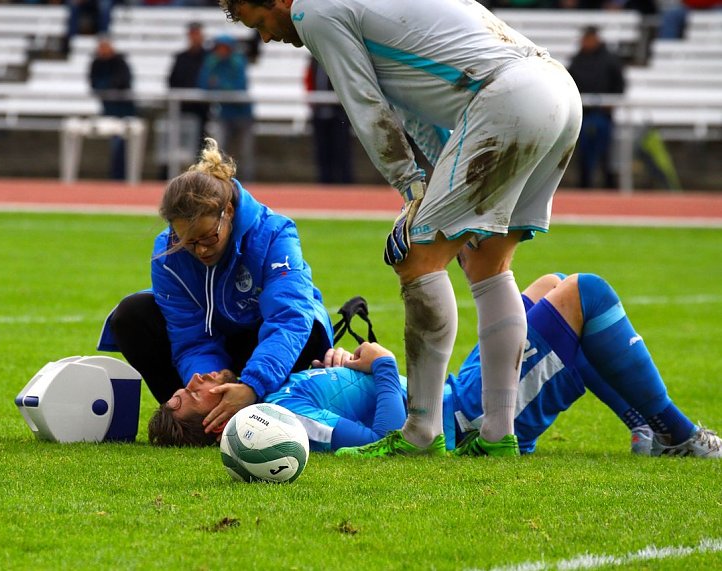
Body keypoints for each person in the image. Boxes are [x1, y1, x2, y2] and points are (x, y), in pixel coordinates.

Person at [219, 0, 583, 458]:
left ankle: (420, 432)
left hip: (508, 95)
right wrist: (424, 188)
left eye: (261, 23)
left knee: (416, 257)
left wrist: (410, 189)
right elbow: (413, 109)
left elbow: (366, 105)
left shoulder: (313, 11)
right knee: (489, 262)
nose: (268, 37)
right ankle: (498, 435)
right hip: (559, 92)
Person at [148, 273, 722, 459]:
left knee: (547, 286)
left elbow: (354, 396)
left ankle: (646, 423)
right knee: (585, 296)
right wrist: (381, 364)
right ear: (217, 424)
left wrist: (346, 365)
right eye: (188, 397)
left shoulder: (276, 394)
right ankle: (677, 431)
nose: (195, 379)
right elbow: (387, 439)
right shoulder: (284, 423)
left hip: (454, 390)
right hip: (467, 421)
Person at [97, 138, 334, 432]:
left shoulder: (275, 233)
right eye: (189, 242)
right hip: (217, 348)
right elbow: (190, 337)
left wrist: (251, 385)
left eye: (208, 238)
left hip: (267, 344)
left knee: (307, 329)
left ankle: (263, 408)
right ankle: (202, 422)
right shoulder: (168, 253)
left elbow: (288, 318)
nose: (201, 251)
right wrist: (210, 388)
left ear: (229, 213)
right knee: (132, 315)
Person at [567, 27, 626, 190]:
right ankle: (584, 185)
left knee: (605, 152)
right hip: (584, 114)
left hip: (603, 114)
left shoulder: (610, 59)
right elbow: (570, 83)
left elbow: (619, 84)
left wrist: (611, 102)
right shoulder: (577, 59)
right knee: (585, 153)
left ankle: (609, 185)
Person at [198, 34, 255, 181]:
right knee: (221, 150)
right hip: (224, 114)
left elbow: (239, 87)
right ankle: (221, 181)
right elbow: (203, 84)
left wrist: (217, 84)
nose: (221, 51)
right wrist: (221, 86)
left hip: (243, 114)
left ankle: (248, 183)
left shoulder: (237, 61)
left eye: (224, 47)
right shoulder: (212, 61)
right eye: (219, 47)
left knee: (245, 152)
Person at [89, 36, 137, 181]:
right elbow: (94, 84)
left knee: (122, 143)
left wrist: (107, 86)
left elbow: (123, 82)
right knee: (115, 142)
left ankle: (120, 175)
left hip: (124, 110)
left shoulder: (120, 62)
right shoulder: (97, 63)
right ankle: (117, 175)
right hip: (109, 110)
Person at [167, 22, 211, 171]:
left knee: (201, 146)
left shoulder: (209, 57)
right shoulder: (181, 57)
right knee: (177, 143)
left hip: (203, 110)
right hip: (182, 109)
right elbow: (172, 81)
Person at [305, 57, 353, 185]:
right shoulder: (314, 60)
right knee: (322, 152)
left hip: (338, 114)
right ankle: (325, 184)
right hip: (319, 114)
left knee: (341, 151)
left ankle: (345, 183)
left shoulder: (336, 58)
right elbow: (308, 80)